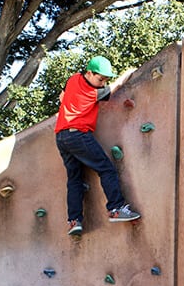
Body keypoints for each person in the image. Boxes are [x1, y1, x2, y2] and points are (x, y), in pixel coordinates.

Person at [54, 55, 141, 236]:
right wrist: (127, 73)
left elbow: (62, 97)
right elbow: (116, 86)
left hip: (61, 136)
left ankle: (74, 221)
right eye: (100, 79)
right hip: (78, 134)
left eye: (104, 81)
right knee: (106, 169)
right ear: (89, 73)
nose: (102, 83)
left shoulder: (73, 80)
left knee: (75, 179)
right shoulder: (93, 93)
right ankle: (116, 208)